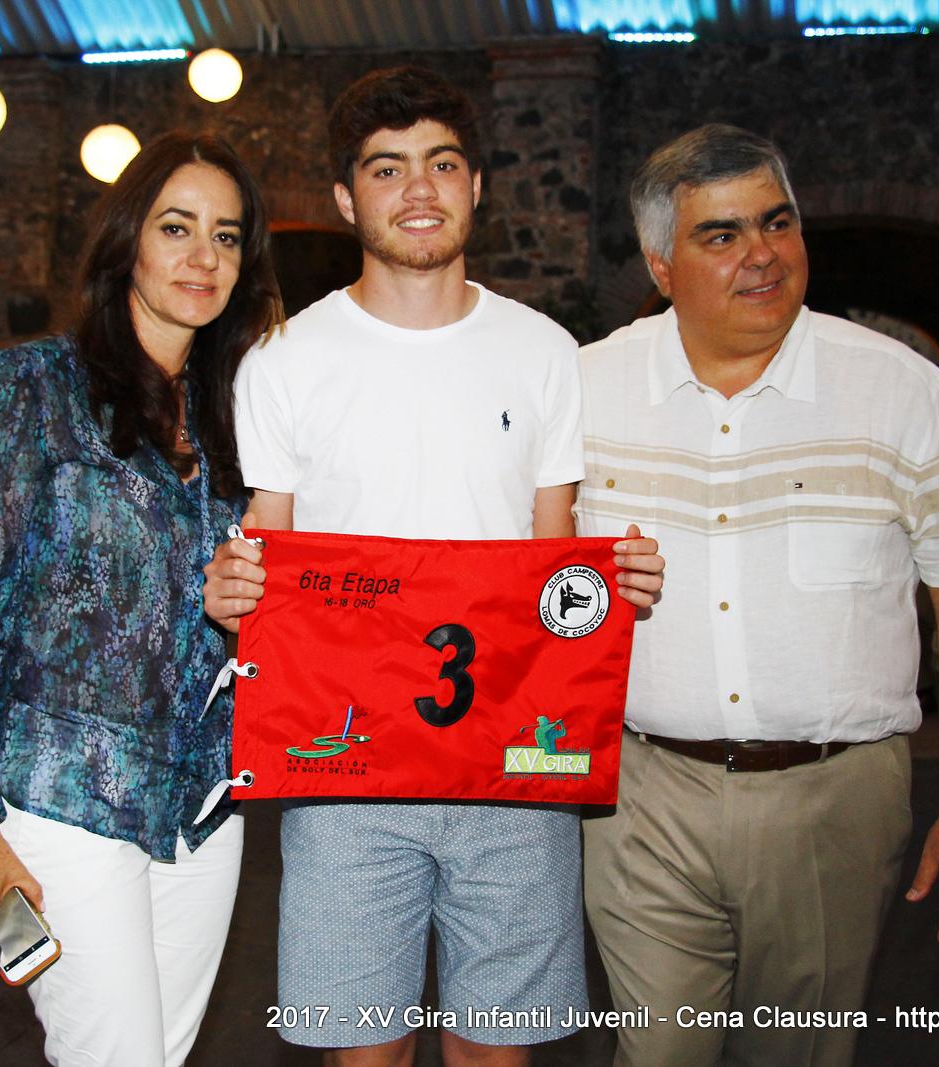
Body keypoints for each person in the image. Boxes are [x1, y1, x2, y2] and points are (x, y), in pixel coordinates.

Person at [201, 67, 663, 1067]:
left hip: (512, 761)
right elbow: (268, 546)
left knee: (497, 1051)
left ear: (476, 184)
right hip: (345, 772)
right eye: (387, 168)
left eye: (442, 163)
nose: (418, 188)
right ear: (344, 197)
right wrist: (234, 590)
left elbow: (551, 557)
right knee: (363, 1052)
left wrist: (608, 590)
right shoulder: (282, 360)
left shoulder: (543, 351)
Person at [574, 124, 939, 1067]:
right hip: (639, 795)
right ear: (661, 267)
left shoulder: (906, 393)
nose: (762, 255)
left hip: (835, 801)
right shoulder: (582, 391)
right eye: (722, 235)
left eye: (776, 222)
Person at [0, 131, 283, 1067]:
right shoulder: (27, 390)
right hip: (61, 794)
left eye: (227, 236)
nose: (204, 257)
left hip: (203, 802)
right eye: (177, 227)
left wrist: (245, 606)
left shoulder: (243, 411)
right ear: (128, 240)